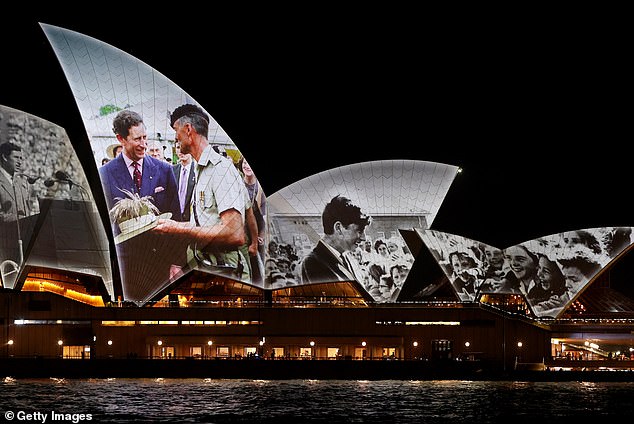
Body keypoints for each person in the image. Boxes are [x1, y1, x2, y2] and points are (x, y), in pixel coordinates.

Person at [154, 104, 250, 282]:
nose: (176, 138)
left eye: (176, 130)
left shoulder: (220, 169)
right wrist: (173, 225)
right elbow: (205, 222)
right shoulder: (200, 169)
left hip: (224, 274)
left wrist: (179, 229)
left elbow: (235, 233)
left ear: (188, 129)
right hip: (208, 270)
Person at [98, 110, 182, 301]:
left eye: (145, 137)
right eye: (137, 139)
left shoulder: (165, 171)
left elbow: (177, 217)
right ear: (121, 139)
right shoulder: (105, 175)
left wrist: (177, 263)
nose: (144, 144)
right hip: (124, 269)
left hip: (159, 265)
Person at [300, 195, 371, 284]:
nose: (364, 238)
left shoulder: (343, 257)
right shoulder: (313, 263)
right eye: (359, 231)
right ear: (338, 228)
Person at [237, 156, 266, 286]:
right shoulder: (237, 185)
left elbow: (266, 215)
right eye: (244, 163)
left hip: (259, 232)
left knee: (259, 267)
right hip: (243, 232)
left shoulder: (260, 189)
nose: (247, 166)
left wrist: (262, 235)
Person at [172, 141, 196, 222]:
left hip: (191, 220)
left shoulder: (197, 170)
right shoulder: (172, 170)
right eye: (178, 148)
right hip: (174, 219)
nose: (182, 151)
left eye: (185, 147)